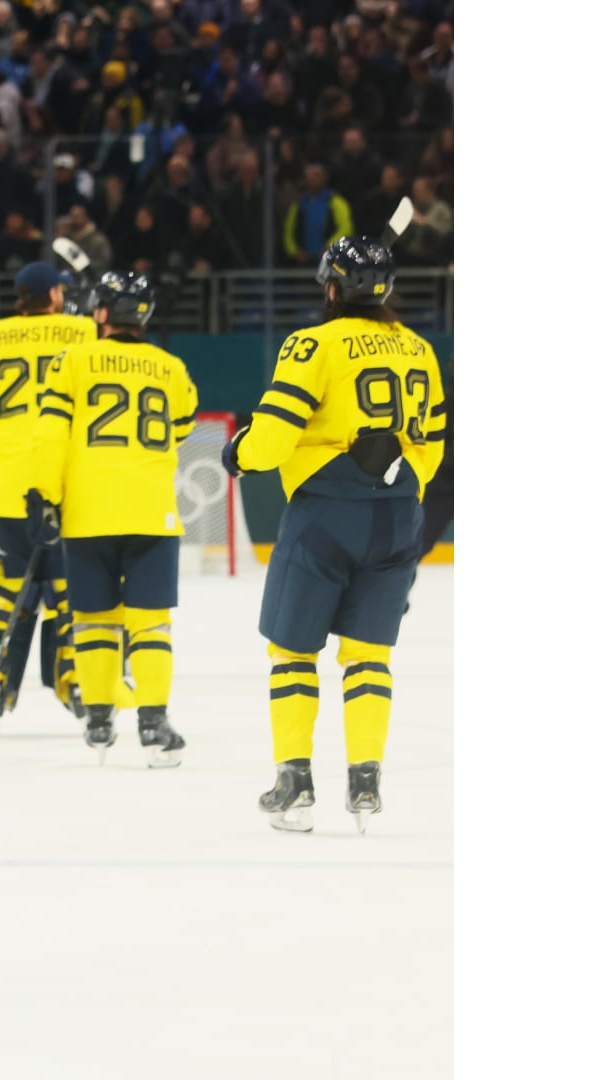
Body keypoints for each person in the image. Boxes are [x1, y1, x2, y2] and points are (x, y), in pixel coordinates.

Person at [223, 237, 446, 834]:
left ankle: (294, 784)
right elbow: (432, 446)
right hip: (398, 515)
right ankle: (365, 781)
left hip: (324, 514)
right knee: (369, 655)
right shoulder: (420, 348)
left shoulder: (312, 343)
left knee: (294, 652)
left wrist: (238, 453)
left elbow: (272, 440)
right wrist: (398, 487)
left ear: (330, 286)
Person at [30, 272, 197, 766]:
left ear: (100, 312)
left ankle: (99, 717)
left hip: (88, 511)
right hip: (150, 510)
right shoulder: (170, 366)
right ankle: (153, 720)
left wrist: (44, 496)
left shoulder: (72, 360)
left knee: (93, 621)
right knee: (150, 625)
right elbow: (182, 427)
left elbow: (50, 434)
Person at [0, 262, 96, 719]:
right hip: (69, 484)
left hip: (1, 483)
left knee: (0, 589)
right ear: (54, 294)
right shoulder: (85, 331)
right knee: (72, 589)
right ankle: (80, 684)